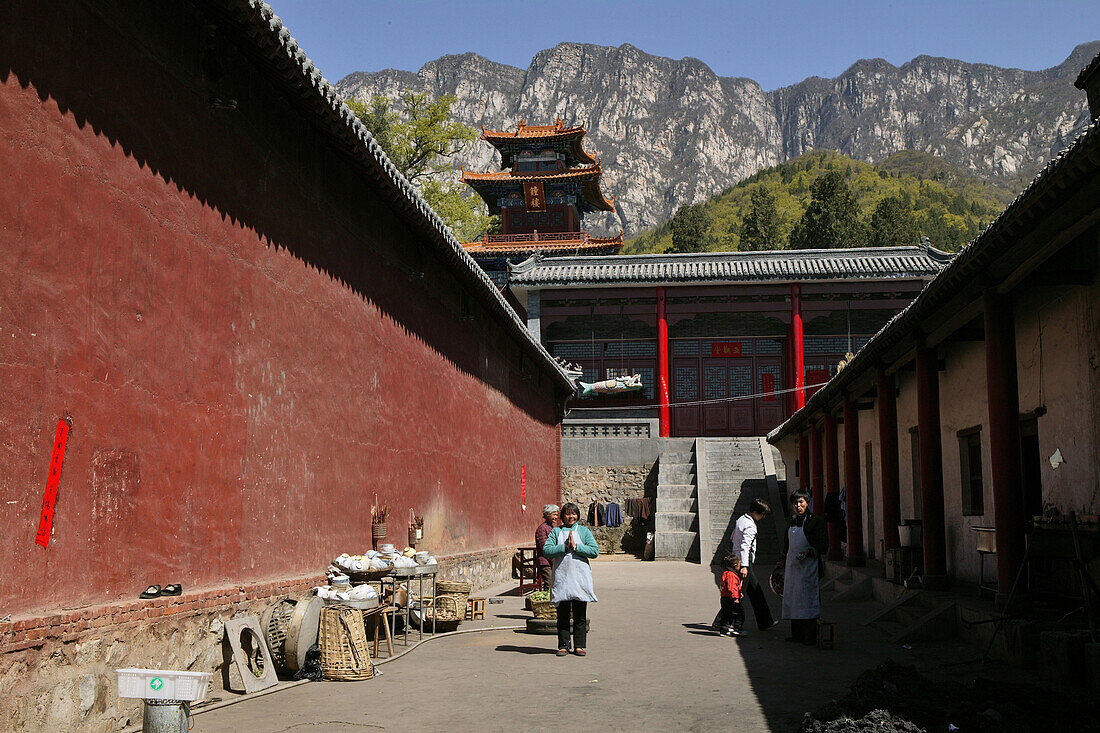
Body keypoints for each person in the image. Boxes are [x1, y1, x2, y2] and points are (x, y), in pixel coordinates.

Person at [542, 502, 599, 656]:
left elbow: (594, 551)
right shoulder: (556, 532)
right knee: (563, 614)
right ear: (563, 516)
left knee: (580, 614)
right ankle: (563, 645)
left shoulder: (584, 532)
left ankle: (579, 645)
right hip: (562, 578)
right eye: (567, 514)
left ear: (577, 515)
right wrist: (564, 547)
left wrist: (576, 547)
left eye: (573, 513)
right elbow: (547, 550)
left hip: (580, 578)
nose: (571, 516)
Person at [777, 489, 828, 645]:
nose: (798, 506)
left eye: (801, 502)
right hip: (792, 567)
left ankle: (810, 636)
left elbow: (823, 543)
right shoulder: (790, 520)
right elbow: (787, 543)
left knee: (808, 600)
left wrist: (810, 551)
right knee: (793, 599)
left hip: (809, 567)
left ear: (807, 503)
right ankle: (796, 634)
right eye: (795, 503)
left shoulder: (816, 521)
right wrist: (782, 559)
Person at [728, 498, 776, 631]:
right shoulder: (750, 526)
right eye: (762, 514)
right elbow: (745, 546)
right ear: (756, 512)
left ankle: (765, 621)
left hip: (738, 558)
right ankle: (729, 622)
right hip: (744, 561)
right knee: (739, 594)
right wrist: (744, 566)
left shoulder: (741, 519)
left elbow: (733, 538)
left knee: (756, 591)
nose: (762, 517)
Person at [715, 554, 744, 636]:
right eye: (739, 565)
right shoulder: (732, 575)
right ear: (735, 565)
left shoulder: (726, 573)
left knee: (725, 614)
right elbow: (732, 587)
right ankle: (737, 628)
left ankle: (724, 630)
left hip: (724, 597)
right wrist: (736, 597)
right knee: (737, 613)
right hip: (731, 598)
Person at [535, 504, 559, 592]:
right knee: (549, 584)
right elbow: (544, 547)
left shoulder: (551, 527)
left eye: (557, 515)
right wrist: (554, 559)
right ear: (548, 514)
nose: (556, 517)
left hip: (552, 561)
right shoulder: (542, 529)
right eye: (554, 514)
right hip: (545, 562)